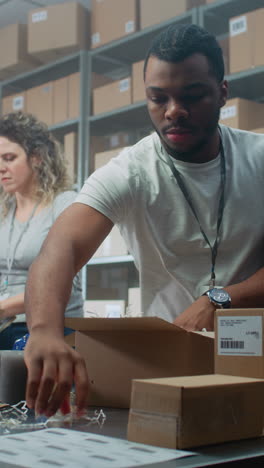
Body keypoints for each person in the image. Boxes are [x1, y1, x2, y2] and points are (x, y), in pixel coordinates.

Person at [24, 23, 264, 416]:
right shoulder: (131, 171)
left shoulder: (258, 159)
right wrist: (46, 330)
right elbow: (61, 245)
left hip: (257, 352)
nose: (174, 111)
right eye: (158, 98)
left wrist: (221, 298)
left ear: (222, 91)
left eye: (193, 95)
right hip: (172, 360)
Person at [0, 111, 84, 349]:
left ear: (36, 157)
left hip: (53, 328)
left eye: (9, 158)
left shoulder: (65, 203)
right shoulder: (3, 211)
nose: (1, 168)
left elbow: (64, 280)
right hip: (5, 324)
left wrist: (3, 307)